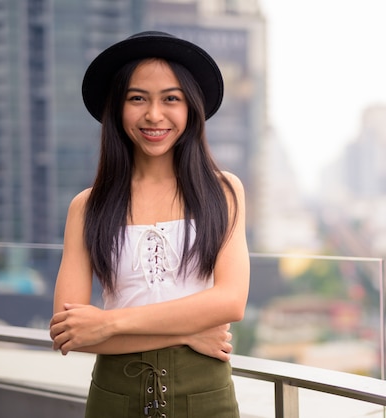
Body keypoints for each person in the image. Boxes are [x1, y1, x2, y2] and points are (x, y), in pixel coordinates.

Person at [49, 31, 249, 418]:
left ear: (190, 107)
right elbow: (69, 331)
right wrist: (187, 332)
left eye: (170, 99)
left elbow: (229, 302)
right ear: (116, 108)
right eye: (137, 98)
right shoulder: (88, 207)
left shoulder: (223, 191)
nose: (154, 115)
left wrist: (108, 323)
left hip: (206, 398)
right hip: (113, 400)